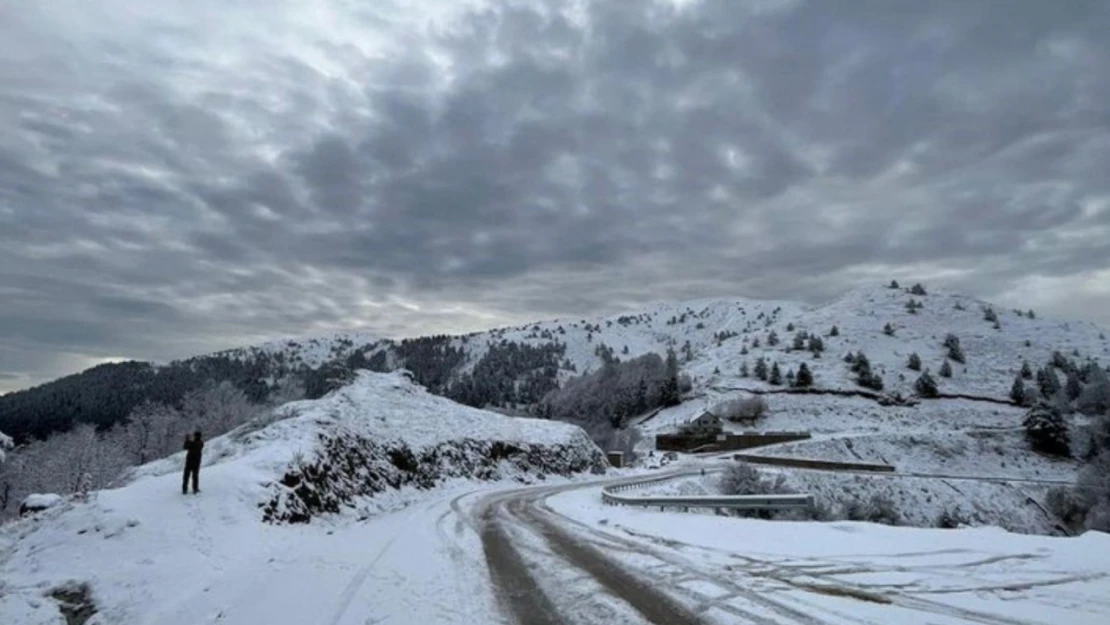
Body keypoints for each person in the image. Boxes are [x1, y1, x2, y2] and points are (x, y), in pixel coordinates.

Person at [182, 430, 204, 495]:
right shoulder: (201, 442)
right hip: (196, 462)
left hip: (190, 461)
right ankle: (195, 489)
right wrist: (188, 441)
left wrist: (187, 440)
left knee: (187, 476)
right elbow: (187, 447)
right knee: (195, 476)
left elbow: (186, 447)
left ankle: (185, 489)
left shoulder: (196, 443)